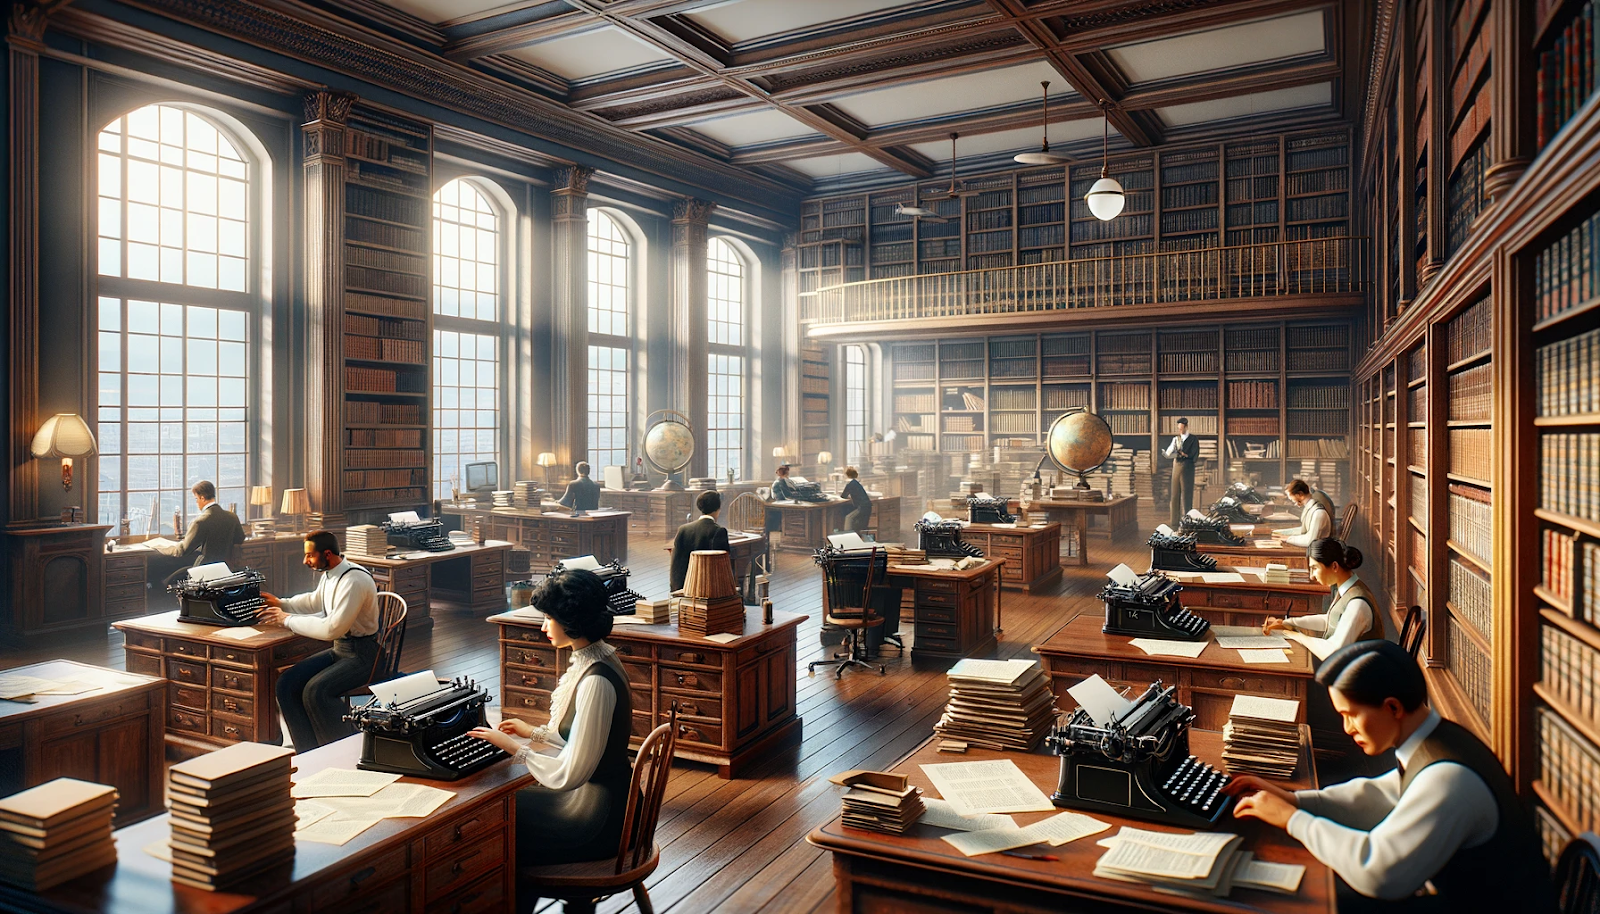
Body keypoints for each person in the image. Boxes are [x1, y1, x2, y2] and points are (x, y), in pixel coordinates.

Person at [1223, 640, 1556, 914]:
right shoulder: (1436, 738)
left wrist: (1293, 820)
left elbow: (1378, 871)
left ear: (1393, 708)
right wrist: (1293, 799)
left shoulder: (1448, 778)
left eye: (1350, 715)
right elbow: (1378, 795)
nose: (1347, 728)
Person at [467, 569, 633, 893]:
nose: (544, 626)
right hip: (602, 799)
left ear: (571, 620)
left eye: (549, 618)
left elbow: (572, 773)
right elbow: (586, 740)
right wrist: (533, 732)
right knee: (505, 804)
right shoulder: (598, 657)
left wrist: (515, 748)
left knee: (498, 821)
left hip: (598, 816)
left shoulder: (596, 681)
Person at [258, 530, 380, 751]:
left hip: (364, 656)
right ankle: (306, 749)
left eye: (310, 556)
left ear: (327, 554)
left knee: (316, 692)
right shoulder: (331, 573)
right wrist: (282, 603)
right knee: (286, 683)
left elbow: (332, 629)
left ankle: (341, 751)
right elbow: (315, 600)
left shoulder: (354, 580)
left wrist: (286, 620)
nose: (305, 561)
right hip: (342, 650)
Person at [1263, 538, 1382, 658]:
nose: (1312, 577)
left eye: (1314, 568)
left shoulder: (1357, 603)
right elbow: (1331, 620)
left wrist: (1295, 635)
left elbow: (1333, 651)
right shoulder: (1348, 588)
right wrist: (1288, 623)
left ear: (1334, 566)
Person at [148, 480, 246, 584]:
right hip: (224, 569)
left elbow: (182, 550)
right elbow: (239, 538)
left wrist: (158, 546)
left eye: (196, 499)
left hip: (203, 571)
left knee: (159, 575)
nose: (196, 502)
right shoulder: (232, 517)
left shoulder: (201, 521)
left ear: (202, 498)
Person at [669, 489, 731, 593]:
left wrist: (676, 590)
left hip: (683, 589)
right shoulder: (719, 531)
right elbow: (723, 567)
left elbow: (675, 564)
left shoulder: (683, 529)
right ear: (718, 509)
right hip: (707, 590)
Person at [1273, 479, 1332, 549]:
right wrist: (1280, 532)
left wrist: (1288, 539)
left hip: (1319, 552)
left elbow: (1310, 541)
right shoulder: (1310, 509)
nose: (1294, 503)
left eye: (1292, 499)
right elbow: (1304, 530)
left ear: (1300, 494)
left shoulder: (1318, 513)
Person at [1164, 418, 1199, 526]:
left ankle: (1187, 521)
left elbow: (1195, 455)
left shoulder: (1193, 439)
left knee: (1187, 495)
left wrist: (1185, 455)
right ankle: (1174, 522)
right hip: (1176, 466)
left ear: (1186, 426)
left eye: (1182, 428)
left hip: (1187, 467)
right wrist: (1169, 453)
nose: (1180, 431)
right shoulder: (1176, 439)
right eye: (1179, 429)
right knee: (1174, 495)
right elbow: (1169, 452)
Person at [766, 464, 797, 535]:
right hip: (780, 503)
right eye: (787, 472)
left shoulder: (781, 481)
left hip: (780, 502)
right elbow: (787, 494)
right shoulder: (781, 482)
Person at [840, 466, 871, 533]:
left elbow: (843, 496)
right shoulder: (857, 483)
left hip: (862, 507)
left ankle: (847, 535)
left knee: (848, 518)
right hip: (867, 507)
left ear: (846, 475)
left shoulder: (850, 484)